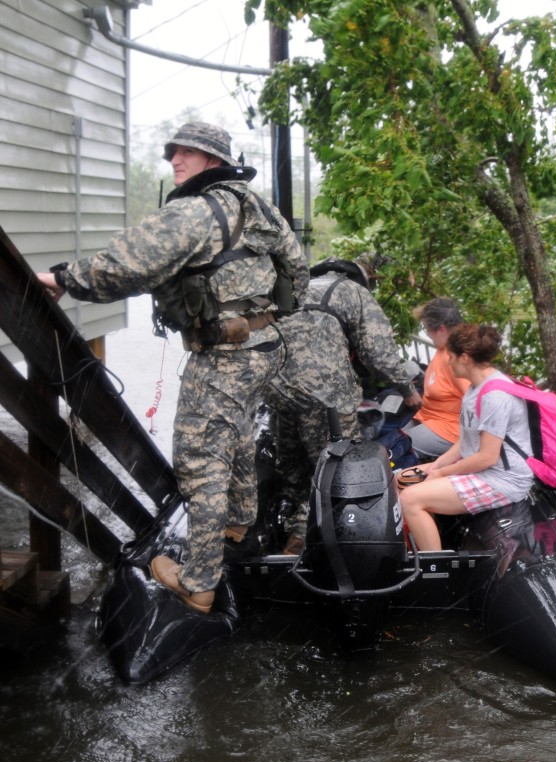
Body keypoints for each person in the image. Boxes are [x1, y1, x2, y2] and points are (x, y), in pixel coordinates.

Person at [37, 121, 309, 612]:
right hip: (267, 348)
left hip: (225, 355)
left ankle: (198, 581)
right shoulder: (259, 206)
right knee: (239, 433)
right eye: (173, 153)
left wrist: (62, 278)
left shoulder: (194, 212)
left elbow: (126, 264)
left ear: (214, 161)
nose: (176, 161)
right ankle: (238, 522)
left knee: (200, 458)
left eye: (189, 153)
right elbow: (299, 270)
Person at [265, 255, 422, 555]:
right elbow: (379, 354)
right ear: (362, 277)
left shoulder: (297, 286)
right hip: (325, 397)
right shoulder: (355, 293)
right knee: (333, 468)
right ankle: (300, 543)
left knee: (292, 469)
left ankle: (281, 528)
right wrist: (407, 390)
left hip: (274, 388)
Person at [399, 323, 534, 551]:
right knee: (400, 479)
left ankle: (436, 568)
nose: (447, 361)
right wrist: (439, 465)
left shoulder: (496, 396)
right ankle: (422, 538)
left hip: (501, 479)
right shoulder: (475, 387)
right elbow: (466, 440)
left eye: (450, 356)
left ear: (464, 358)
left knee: (410, 499)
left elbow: (487, 457)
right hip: (482, 468)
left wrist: (441, 473)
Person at [402, 297, 469, 458]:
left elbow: (480, 399)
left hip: (450, 428)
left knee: (394, 451)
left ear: (441, 330)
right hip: (429, 417)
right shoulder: (443, 348)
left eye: (427, 330)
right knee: (387, 441)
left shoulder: (457, 357)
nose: (428, 335)